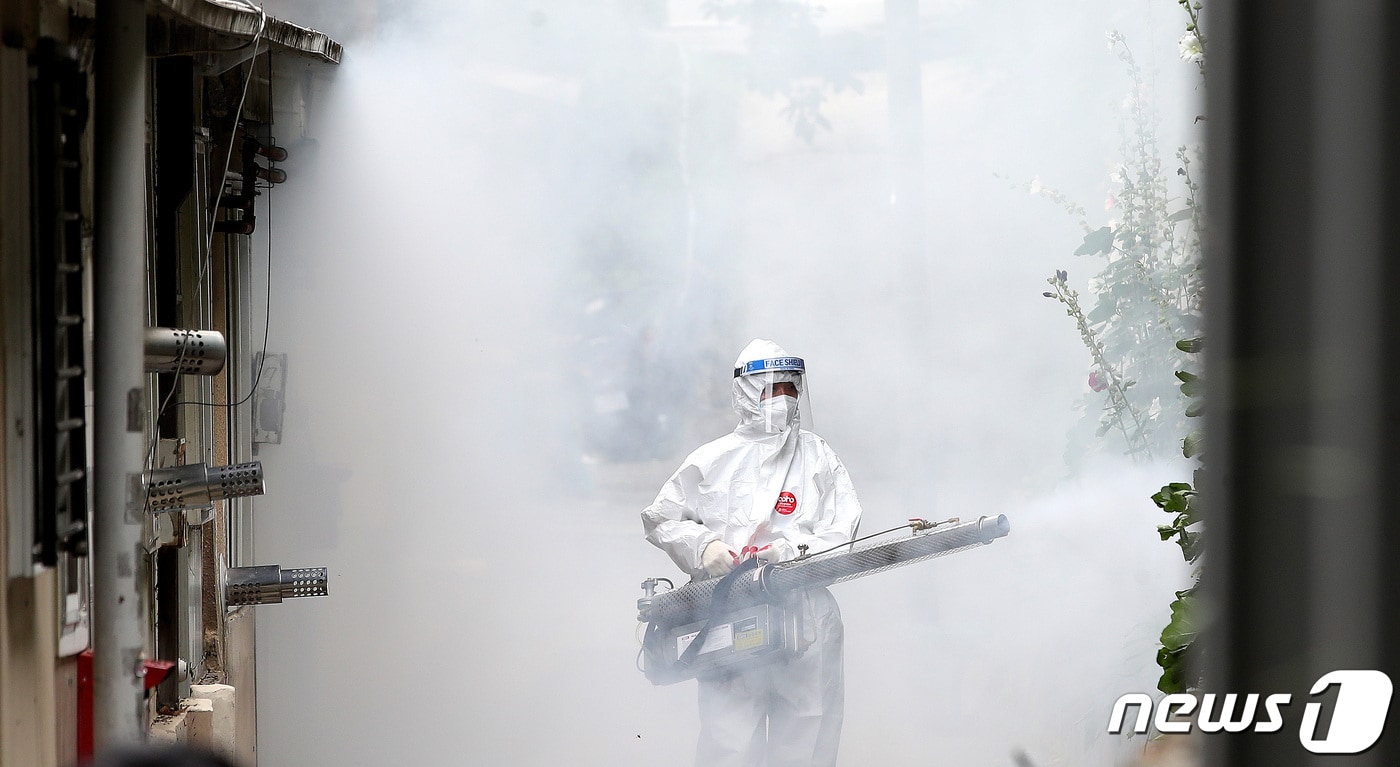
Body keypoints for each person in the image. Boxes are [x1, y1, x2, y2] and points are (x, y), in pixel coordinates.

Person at [641, 338, 863, 767]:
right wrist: (703, 547)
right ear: (747, 392)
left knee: (806, 738)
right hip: (728, 610)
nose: (783, 399)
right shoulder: (712, 460)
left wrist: (791, 553)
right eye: (772, 388)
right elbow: (660, 518)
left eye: (791, 388)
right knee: (728, 743)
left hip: (806, 613)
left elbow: (843, 532)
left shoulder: (819, 458)